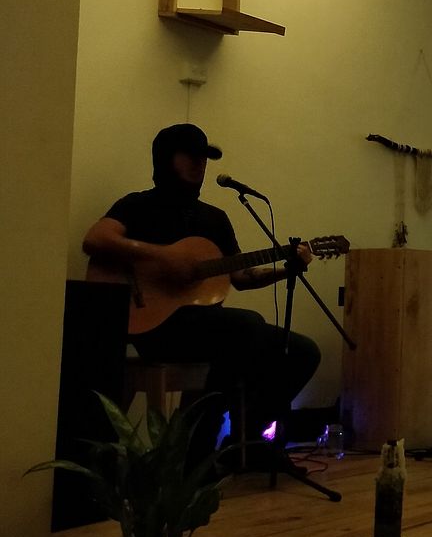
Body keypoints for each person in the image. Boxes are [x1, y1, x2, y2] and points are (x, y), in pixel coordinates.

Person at [82, 123, 321, 469]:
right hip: (153, 326)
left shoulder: (215, 219)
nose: (200, 163)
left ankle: (248, 439)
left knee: (302, 351)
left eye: (204, 157)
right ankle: (196, 449)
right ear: (165, 158)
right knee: (246, 326)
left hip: (206, 328)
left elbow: (242, 277)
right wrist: (163, 256)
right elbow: (95, 239)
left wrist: (289, 267)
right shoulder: (137, 205)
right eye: (190, 155)